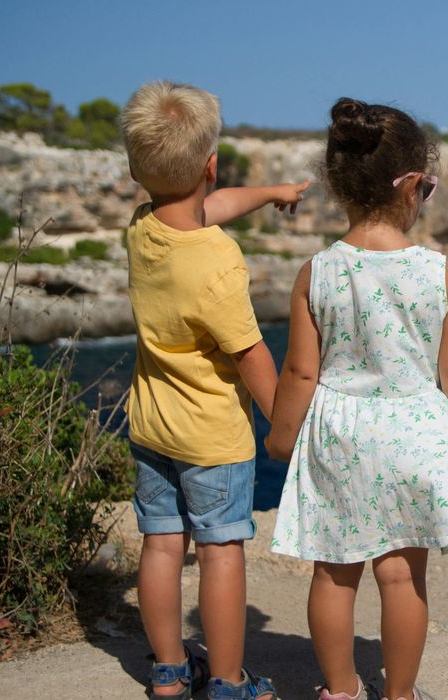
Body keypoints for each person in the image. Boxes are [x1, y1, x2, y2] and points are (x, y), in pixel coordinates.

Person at [265, 97, 448, 700]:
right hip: (415, 431)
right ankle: (401, 694)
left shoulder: (318, 271)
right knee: (402, 575)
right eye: (429, 188)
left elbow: (301, 374)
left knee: (334, 574)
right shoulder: (437, 272)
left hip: (341, 431)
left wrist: (281, 438)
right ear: (412, 185)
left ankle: (340, 689)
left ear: (339, 185)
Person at [121, 79, 308, 700]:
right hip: (213, 440)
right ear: (211, 162)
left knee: (160, 542)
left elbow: (210, 205)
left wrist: (272, 194)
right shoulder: (218, 261)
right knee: (222, 550)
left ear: (135, 168)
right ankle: (229, 681)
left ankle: (170, 672)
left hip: (151, 428)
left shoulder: (142, 228)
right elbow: (251, 353)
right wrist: (287, 427)